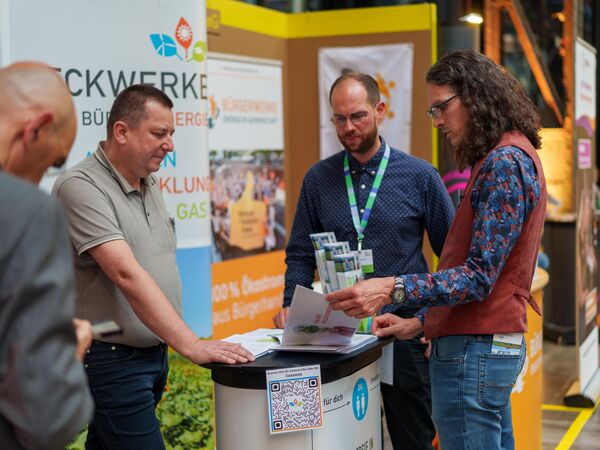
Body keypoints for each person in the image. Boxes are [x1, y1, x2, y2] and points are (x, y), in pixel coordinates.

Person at [327, 50, 547, 450]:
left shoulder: (503, 163)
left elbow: (478, 277)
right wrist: (420, 324)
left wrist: (392, 287)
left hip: (474, 353)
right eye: (432, 112)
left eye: (442, 108)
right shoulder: (510, 156)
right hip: (478, 346)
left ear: (476, 96)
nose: (439, 121)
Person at [53, 84, 254, 449]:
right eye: (159, 133)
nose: (170, 144)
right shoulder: (80, 187)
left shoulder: (150, 182)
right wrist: (191, 344)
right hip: (111, 362)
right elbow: (126, 275)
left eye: (172, 134)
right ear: (121, 132)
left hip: (151, 358)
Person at [274, 72, 455, 449]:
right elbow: (300, 253)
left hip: (402, 330)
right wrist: (290, 302)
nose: (349, 127)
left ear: (380, 110)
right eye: (339, 119)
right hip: (335, 332)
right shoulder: (318, 179)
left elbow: (452, 258)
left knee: (413, 439)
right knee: (341, 436)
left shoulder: (420, 176)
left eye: (358, 116)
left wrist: (430, 321)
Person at [0, 61, 94, 449]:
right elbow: (47, 417)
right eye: (54, 161)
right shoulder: (27, 213)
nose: (42, 181)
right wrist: (66, 355)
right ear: (36, 127)